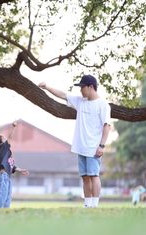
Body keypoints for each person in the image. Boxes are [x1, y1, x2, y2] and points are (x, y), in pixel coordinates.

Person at [39, 75, 111, 208]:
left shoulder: (103, 105)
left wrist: (101, 145)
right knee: (85, 176)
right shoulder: (80, 101)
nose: (80, 90)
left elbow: (107, 126)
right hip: (80, 147)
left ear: (90, 87)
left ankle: (94, 205)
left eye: (82, 87)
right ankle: (87, 204)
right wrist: (47, 87)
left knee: (94, 175)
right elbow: (63, 95)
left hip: (93, 147)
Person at [0, 121, 29, 208]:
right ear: (0, 143)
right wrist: (13, 127)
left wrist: (20, 170)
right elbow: (10, 138)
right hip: (3, 176)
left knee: (7, 197)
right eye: (2, 137)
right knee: (2, 196)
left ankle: (5, 213)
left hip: (6, 177)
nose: (4, 137)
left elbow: (11, 166)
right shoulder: (3, 149)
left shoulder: (6, 152)